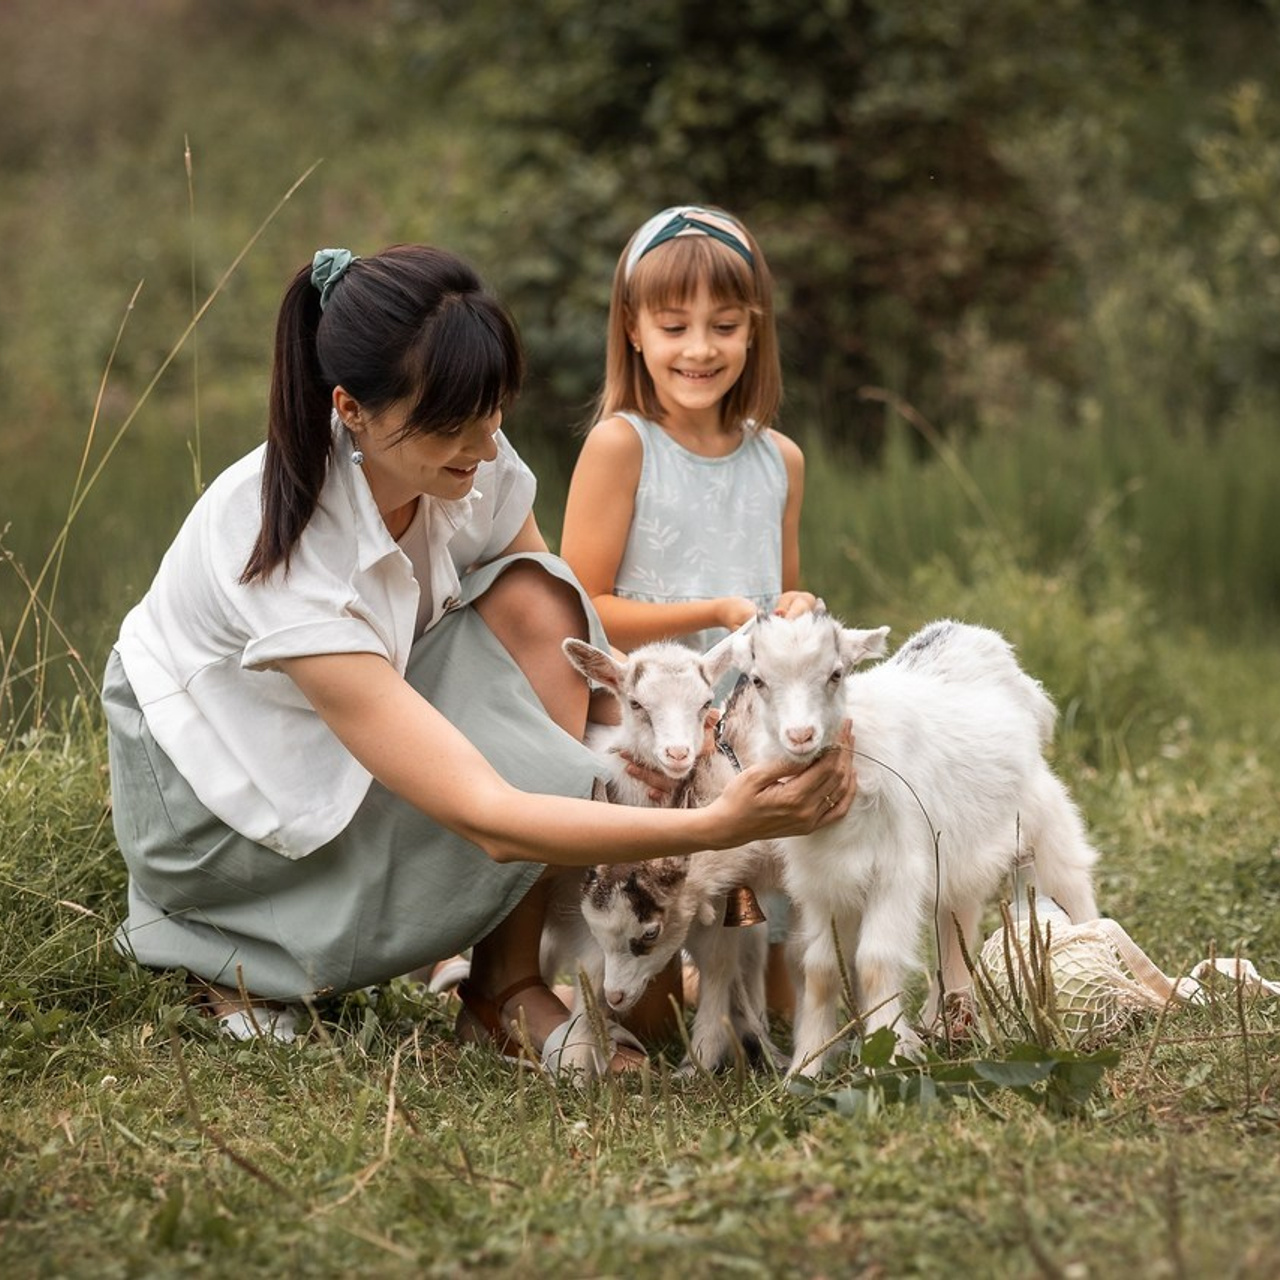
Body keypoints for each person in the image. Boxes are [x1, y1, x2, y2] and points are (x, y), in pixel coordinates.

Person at [102, 242, 854, 1076]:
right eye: (452, 425)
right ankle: (228, 951)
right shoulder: (280, 539)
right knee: (533, 692)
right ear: (351, 409)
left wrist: (696, 749)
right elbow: (485, 814)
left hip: (357, 738)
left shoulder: (473, 462)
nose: (486, 446)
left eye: (494, 412)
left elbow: (578, 657)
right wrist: (713, 826)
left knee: (541, 596)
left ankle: (503, 987)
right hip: (220, 806)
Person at [560, 205, 816, 1021]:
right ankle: (623, 978)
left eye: (724, 326)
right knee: (648, 988)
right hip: (654, 740)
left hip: (744, 739)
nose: (700, 348)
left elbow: (778, 602)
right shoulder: (622, 445)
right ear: (633, 329)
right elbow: (581, 603)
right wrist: (709, 609)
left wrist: (793, 608)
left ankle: (747, 964)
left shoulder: (779, 461)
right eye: (674, 326)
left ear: (755, 329)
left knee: (771, 994)